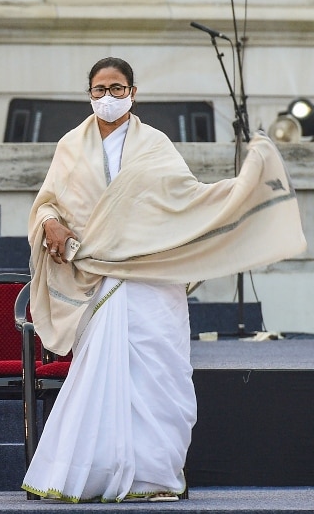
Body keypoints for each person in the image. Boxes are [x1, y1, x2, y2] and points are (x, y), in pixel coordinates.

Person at [22, 57, 306, 503]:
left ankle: (154, 478)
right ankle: (92, 475)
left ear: (133, 93)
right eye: (100, 89)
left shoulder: (155, 144)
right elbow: (47, 202)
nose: (108, 97)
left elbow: (185, 202)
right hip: (99, 279)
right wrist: (51, 222)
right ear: (88, 93)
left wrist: (240, 189)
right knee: (102, 376)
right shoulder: (69, 146)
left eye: (117, 89)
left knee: (158, 376)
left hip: (152, 278)